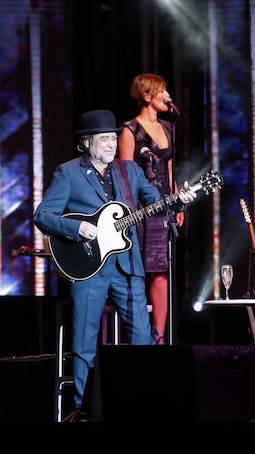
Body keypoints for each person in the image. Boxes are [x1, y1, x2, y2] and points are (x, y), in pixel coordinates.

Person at [34, 109, 195, 421]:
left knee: (142, 339)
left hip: (127, 265)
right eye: (103, 139)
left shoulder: (129, 171)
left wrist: (179, 199)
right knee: (84, 340)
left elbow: (154, 201)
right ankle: (81, 410)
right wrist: (76, 229)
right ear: (85, 144)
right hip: (89, 267)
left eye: (112, 138)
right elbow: (43, 215)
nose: (110, 144)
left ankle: (140, 403)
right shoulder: (67, 173)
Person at [117, 73, 182, 345]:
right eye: (162, 90)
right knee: (139, 270)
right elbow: (124, 175)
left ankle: (160, 335)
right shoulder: (130, 130)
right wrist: (131, 214)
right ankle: (139, 333)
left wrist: (177, 201)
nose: (167, 95)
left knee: (161, 270)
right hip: (140, 210)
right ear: (146, 96)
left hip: (164, 206)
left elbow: (168, 167)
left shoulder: (168, 127)